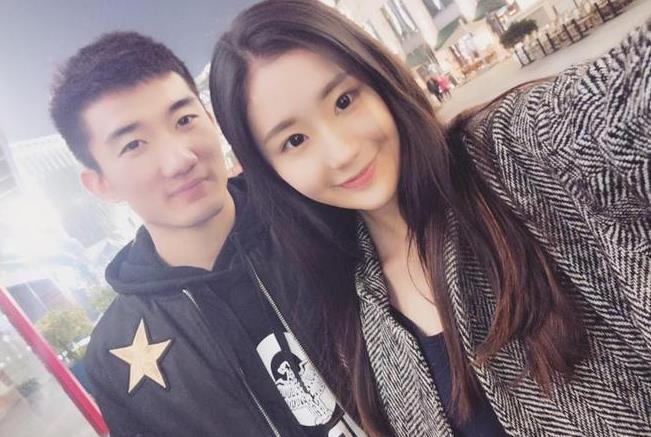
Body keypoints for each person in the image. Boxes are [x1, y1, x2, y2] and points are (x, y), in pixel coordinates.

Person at [209, 1, 651, 436]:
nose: (341, 152)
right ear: (271, 172)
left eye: (344, 100)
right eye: (295, 140)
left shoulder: (509, 155)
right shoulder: (353, 303)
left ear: (378, 77)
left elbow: (615, 107)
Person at [49, 31, 364, 437]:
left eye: (184, 120)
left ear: (211, 120)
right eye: (134, 145)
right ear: (101, 184)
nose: (180, 160)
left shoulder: (321, 218)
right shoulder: (115, 356)